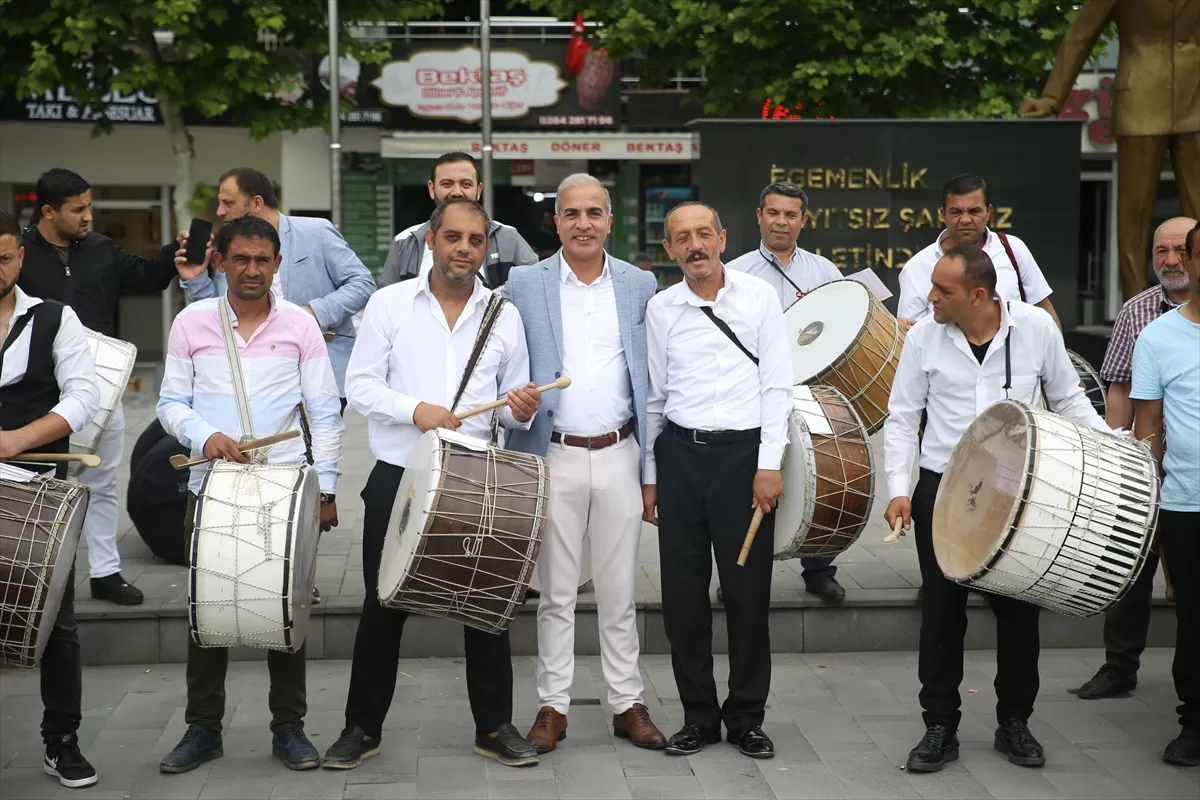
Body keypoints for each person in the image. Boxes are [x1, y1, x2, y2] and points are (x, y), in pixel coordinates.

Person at [324, 198, 543, 770]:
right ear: (430, 239)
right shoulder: (388, 304)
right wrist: (415, 408)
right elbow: (362, 385)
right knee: (382, 603)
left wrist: (522, 406)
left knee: (483, 603)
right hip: (400, 475)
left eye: (475, 240)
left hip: (476, 475)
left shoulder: (503, 313)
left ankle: (494, 727)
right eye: (453, 237)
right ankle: (361, 728)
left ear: (487, 246)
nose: (464, 249)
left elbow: (515, 412)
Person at [883, 245, 1110, 773]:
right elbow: (901, 417)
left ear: (978, 295)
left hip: (1021, 488)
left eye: (943, 291)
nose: (930, 298)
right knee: (941, 616)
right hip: (944, 488)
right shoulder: (921, 337)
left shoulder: (1035, 328)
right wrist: (899, 488)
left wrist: (1110, 446)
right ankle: (939, 726)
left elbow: (1070, 401)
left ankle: (1015, 722)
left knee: (1018, 612)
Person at [155, 216, 344, 774]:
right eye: (241, 259)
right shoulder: (191, 322)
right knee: (207, 605)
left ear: (278, 265)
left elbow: (325, 411)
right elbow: (169, 404)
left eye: (263, 260)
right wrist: (203, 435)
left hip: (282, 489)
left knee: (287, 607)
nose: (253, 270)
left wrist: (326, 488)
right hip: (210, 486)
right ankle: (202, 729)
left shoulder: (301, 327)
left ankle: (289, 727)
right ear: (223, 262)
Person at [503, 174, 665, 753]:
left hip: (621, 451)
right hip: (554, 453)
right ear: (556, 222)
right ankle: (553, 705)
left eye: (594, 213)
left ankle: (627, 703)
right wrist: (513, 407)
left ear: (610, 221)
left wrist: (652, 474)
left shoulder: (640, 284)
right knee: (556, 591)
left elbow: (652, 382)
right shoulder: (524, 283)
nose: (583, 224)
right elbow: (503, 361)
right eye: (571, 213)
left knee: (621, 589)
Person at [643, 202, 792, 759]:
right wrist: (652, 477)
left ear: (723, 239)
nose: (695, 245)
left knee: (746, 593)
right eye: (683, 238)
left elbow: (777, 387)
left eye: (704, 233)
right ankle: (699, 718)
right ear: (670, 250)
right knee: (682, 595)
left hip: (742, 460)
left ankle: (747, 716)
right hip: (680, 457)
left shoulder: (758, 299)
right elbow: (656, 398)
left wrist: (769, 465)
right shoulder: (661, 309)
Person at [17, 168, 183, 606]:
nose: (88, 216)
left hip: (104, 390)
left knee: (103, 481)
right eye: (78, 209)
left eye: (89, 206)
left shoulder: (102, 249)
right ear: (48, 211)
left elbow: (146, 277)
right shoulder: (19, 255)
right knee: (37, 486)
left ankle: (105, 573)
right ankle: (35, 580)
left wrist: (174, 255)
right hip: (38, 395)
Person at [1072, 216, 1197, 700]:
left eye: (1180, 251)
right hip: (1149, 457)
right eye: (1160, 252)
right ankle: (1119, 667)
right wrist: (1123, 461)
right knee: (1131, 560)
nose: (1169, 261)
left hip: (1194, 468)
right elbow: (1119, 388)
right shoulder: (1137, 311)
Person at [0, 209, 101, 789]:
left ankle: (61, 740)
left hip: (37, 491)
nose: (0, 267)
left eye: (7, 256)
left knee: (56, 621)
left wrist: (18, 439)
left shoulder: (55, 319)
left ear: (21, 256)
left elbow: (84, 396)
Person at [727, 181, 846, 603]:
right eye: (773, 213)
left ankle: (819, 569)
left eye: (790, 214)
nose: (781, 221)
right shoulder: (736, 273)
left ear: (804, 221)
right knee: (751, 478)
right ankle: (737, 574)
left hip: (813, 393)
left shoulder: (825, 272)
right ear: (759, 216)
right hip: (754, 394)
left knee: (823, 477)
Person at [175, 167, 376, 412]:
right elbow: (217, 314)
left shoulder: (315, 232)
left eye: (228, 203)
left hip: (318, 371)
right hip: (252, 378)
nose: (220, 212)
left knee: (311, 446)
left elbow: (362, 283)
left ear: (257, 202)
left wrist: (312, 313)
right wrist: (195, 278)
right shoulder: (229, 246)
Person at [1129, 219, 1200, 768]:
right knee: (1193, 618)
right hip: (1185, 504)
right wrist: (1144, 499)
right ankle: (1194, 722)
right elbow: (1147, 424)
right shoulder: (1157, 336)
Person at [896, 174, 1061, 333]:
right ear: (942, 214)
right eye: (956, 212)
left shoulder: (1013, 249)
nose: (966, 219)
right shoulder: (917, 267)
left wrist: (1057, 356)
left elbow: (1044, 310)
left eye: (974, 211)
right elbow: (909, 334)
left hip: (1016, 360)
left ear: (989, 212)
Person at [377, 152, 539, 288]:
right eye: (447, 184)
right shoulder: (406, 241)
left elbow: (535, 291)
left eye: (466, 184)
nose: (456, 192)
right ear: (432, 189)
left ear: (479, 190)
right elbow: (386, 303)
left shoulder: (508, 238)